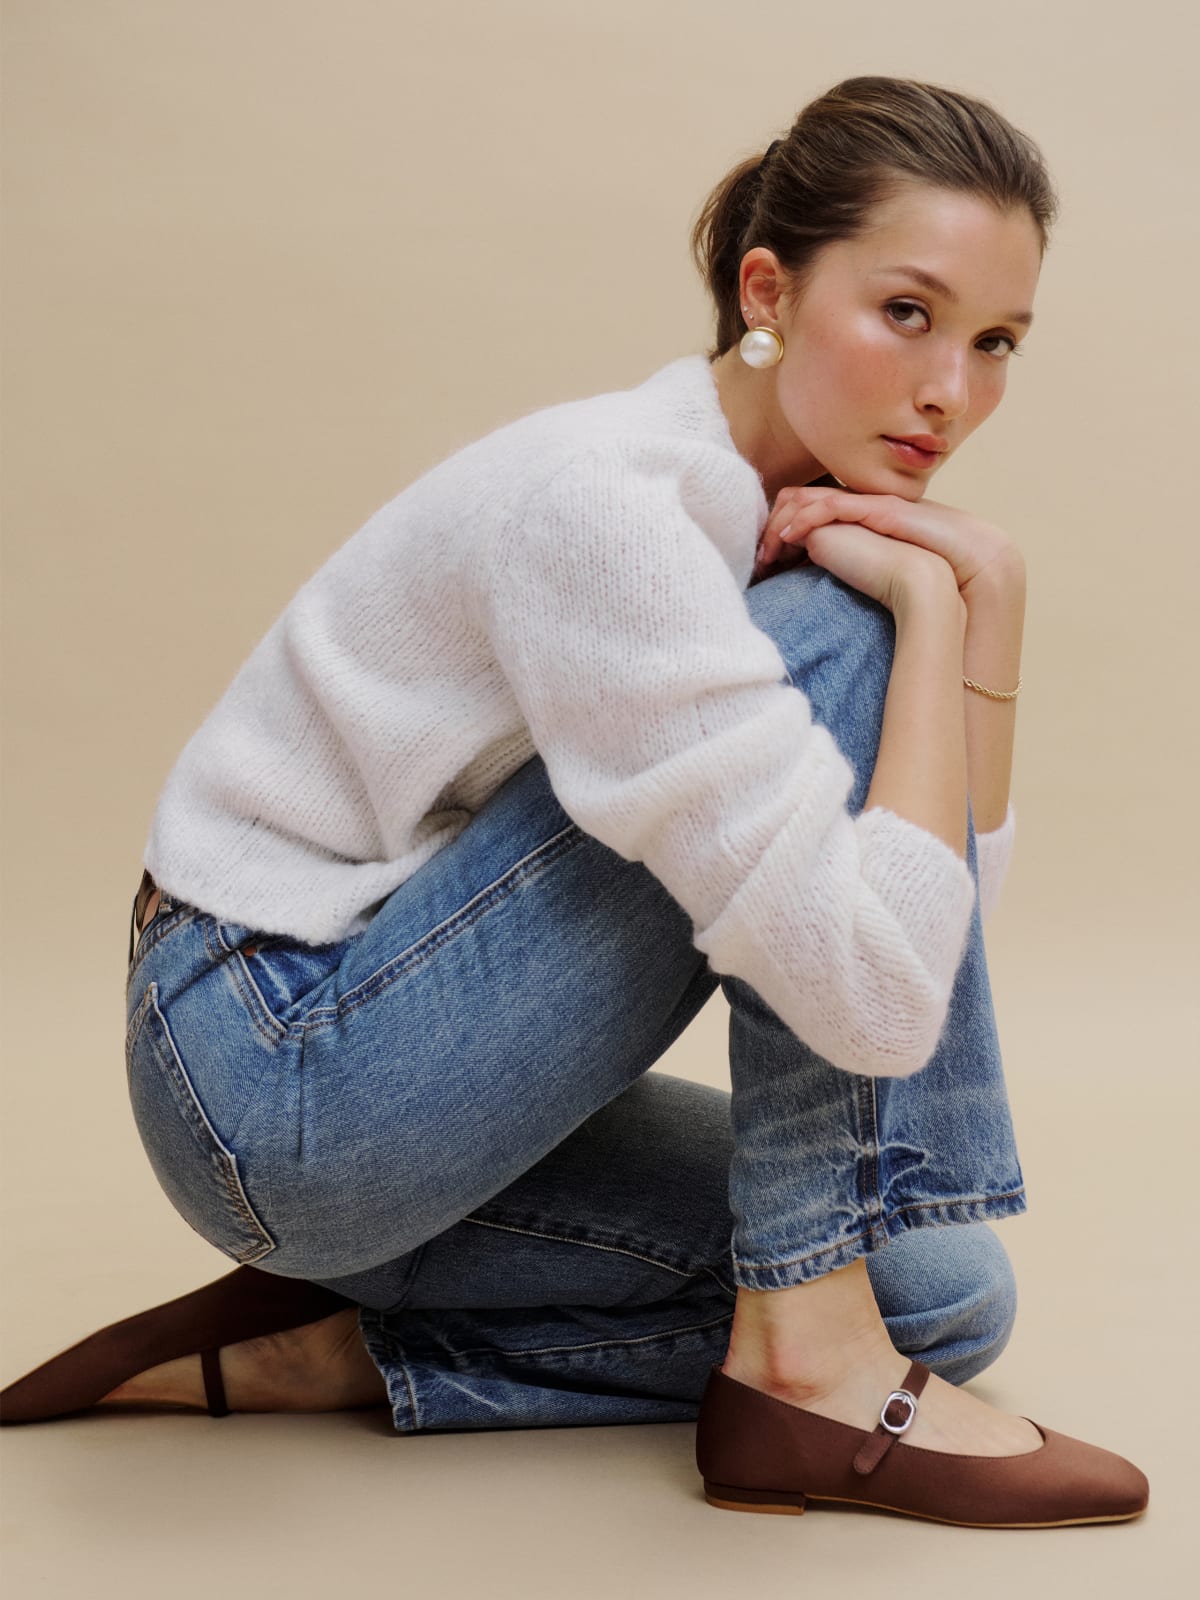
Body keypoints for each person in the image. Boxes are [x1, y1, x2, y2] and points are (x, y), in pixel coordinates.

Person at [1, 75, 1149, 1528]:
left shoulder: (792, 529)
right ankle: (805, 1362)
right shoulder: (614, 508)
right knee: (832, 650)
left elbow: (917, 999)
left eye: (996, 344)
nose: (951, 391)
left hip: (431, 1088)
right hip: (273, 1066)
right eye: (907, 313)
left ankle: (346, 1355)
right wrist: (918, 616)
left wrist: (994, 615)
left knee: (947, 1296)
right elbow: (873, 1003)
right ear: (769, 289)